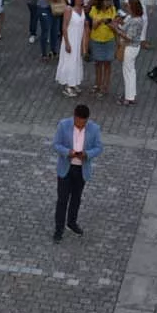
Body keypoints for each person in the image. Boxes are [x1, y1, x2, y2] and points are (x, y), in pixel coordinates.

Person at [51, 103, 103, 243]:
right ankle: (59, 229)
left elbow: (99, 147)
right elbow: (56, 144)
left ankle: (72, 222)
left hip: (81, 170)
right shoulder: (63, 125)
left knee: (76, 198)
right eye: (78, 123)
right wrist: (68, 152)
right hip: (66, 169)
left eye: (83, 123)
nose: (80, 126)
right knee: (62, 200)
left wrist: (86, 154)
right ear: (74, 117)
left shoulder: (94, 129)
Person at [55, 0, 86, 98]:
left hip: (78, 39)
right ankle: (68, 85)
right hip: (70, 39)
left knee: (77, 61)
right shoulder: (69, 9)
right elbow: (64, 27)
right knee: (69, 62)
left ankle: (75, 82)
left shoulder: (82, 10)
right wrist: (67, 43)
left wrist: (83, 44)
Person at [118, 0, 146, 106]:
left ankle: (128, 97)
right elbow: (125, 26)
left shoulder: (135, 21)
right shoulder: (135, 18)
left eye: (129, 6)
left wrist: (117, 30)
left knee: (127, 72)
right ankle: (131, 95)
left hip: (130, 48)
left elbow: (129, 37)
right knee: (131, 72)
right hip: (134, 47)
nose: (127, 8)